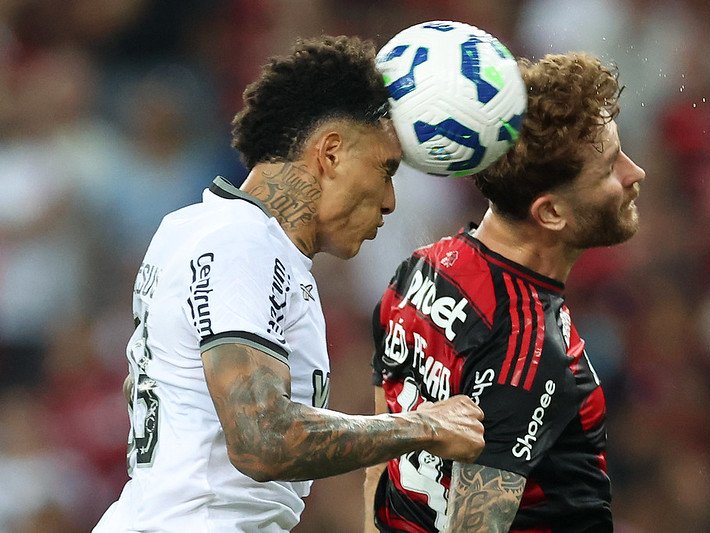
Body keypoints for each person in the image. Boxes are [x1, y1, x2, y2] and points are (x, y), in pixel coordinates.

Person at [94, 35, 485, 533]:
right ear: (331, 153)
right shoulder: (242, 241)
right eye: (385, 169)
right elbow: (263, 440)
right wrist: (423, 426)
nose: (390, 200)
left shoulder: (199, 229)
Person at [366, 51, 646, 532]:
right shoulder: (529, 347)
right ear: (550, 213)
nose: (634, 172)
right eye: (608, 170)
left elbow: (379, 470)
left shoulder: (417, 272)